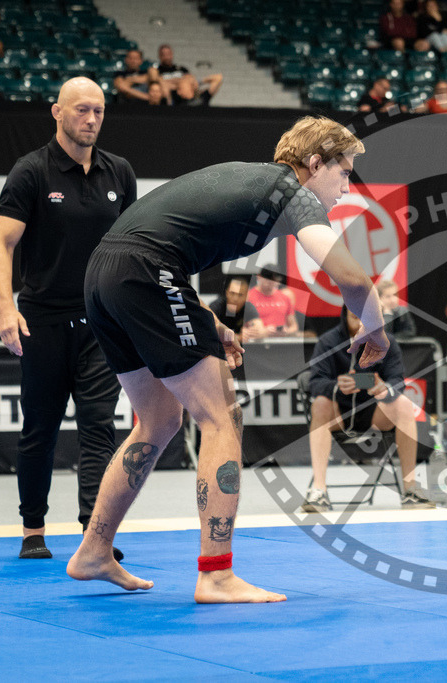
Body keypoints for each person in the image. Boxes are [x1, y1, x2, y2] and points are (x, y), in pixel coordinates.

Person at [66, 115, 388, 603]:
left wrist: (205, 319)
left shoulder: (252, 179)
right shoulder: (291, 191)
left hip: (103, 275)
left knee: (156, 419)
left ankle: (93, 549)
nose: (347, 185)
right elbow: (353, 278)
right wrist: (377, 329)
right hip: (144, 272)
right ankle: (215, 574)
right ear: (315, 162)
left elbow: (161, 243)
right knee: (221, 418)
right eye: (344, 171)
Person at [0, 78, 136, 561]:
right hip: (42, 323)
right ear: (57, 112)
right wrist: (7, 308)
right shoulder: (31, 171)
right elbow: (0, 243)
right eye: (81, 111)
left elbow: (135, 248)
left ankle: (97, 535)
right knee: (40, 430)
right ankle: (33, 528)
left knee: (99, 428)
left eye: (99, 111)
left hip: (102, 323)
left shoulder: (120, 172)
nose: (91, 119)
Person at [303, 307, 435, 512]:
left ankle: (410, 489)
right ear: (344, 317)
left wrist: (384, 388)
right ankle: (319, 491)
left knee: (404, 404)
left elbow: (397, 381)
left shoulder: (387, 342)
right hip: (339, 412)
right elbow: (315, 382)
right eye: (355, 318)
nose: (360, 325)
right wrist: (337, 385)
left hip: (374, 413)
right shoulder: (328, 342)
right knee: (319, 404)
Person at [155, 44, 223, 106]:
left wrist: (196, 82)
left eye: (169, 54)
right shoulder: (157, 70)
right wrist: (183, 81)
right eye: (164, 54)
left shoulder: (182, 69)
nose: (167, 57)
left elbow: (218, 77)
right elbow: (160, 83)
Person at [248, 264, 300, 337]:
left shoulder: (285, 297)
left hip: (279, 342)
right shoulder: (249, 297)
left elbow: (294, 327)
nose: (270, 282)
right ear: (259, 277)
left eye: (273, 280)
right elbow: (244, 327)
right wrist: (263, 331)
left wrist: (286, 331)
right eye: (268, 279)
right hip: (257, 342)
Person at [209, 274, 263, 343]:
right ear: (227, 293)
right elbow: (209, 330)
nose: (235, 298)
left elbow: (260, 329)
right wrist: (237, 337)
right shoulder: (216, 307)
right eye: (232, 293)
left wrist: (249, 333)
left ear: (246, 296)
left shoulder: (248, 308)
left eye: (240, 295)